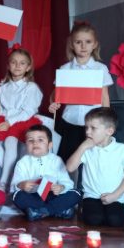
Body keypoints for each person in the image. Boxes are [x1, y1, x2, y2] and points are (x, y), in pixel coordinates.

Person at [48, 22, 112, 162]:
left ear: (94, 44)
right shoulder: (65, 69)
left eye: (88, 42)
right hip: (69, 122)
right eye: (78, 42)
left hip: (94, 124)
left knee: (92, 160)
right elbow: (54, 96)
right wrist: (53, 104)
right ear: (72, 44)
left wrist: (106, 121)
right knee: (67, 159)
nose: (83, 46)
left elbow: (104, 97)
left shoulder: (100, 68)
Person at [0, 46, 43, 191]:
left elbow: (28, 111)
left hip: (21, 120)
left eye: (22, 63)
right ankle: (11, 173)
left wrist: (9, 123)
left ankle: (4, 181)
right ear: (8, 65)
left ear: (28, 67)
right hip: (5, 119)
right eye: (14, 62)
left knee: (10, 140)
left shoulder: (31, 87)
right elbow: (0, 111)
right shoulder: (3, 87)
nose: (17, 66)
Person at [66, 107, 124, 227]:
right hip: (91, 196)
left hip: (115, 196)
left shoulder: (122, 149)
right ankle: (87, 208)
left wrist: (115, 195)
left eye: (93, 128)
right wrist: (82, 147)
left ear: (109, 131)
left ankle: (118, 210)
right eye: (86, 127)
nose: (88, 132)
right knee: (93, 220)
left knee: (115, 221)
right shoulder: (87, 150)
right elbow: (70, 168)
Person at [10, 125, 80, 221]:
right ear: (26, 144)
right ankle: (59, 211)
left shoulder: (56, 160)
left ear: (50, 145)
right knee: (17, 196)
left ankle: (40, 212)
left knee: (76, 193)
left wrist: (61, 187)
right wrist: (22, 185)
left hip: (54, 196)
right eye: (30, 140)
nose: (35, 143)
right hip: (34, 197)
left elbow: (67, 182)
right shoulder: (22, 163)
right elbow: (14, 185)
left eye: (40, 140)